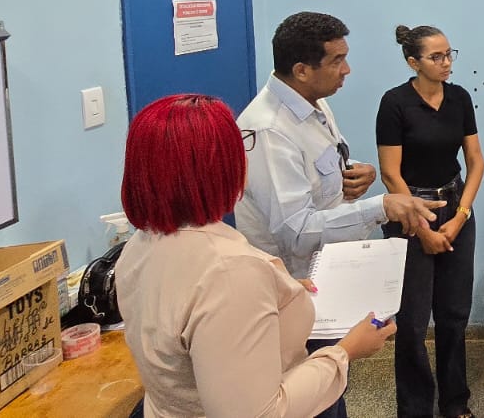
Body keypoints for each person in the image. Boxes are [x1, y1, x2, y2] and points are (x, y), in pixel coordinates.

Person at [116, 94, 398, 418]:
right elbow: (262, 412)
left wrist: (274, 288)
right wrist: (345, 352)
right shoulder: (230, 273)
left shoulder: (138, 247)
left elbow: (191, 312)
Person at [235, 11, 443, 418]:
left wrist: (358, 172)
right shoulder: (269, 131)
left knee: (331, 390)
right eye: (337, 61)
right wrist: (380, 205)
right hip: (290, 296)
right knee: (308, 401)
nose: (347, 70)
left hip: (325, 281)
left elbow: (325, 172)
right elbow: (295, 232)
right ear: (301, 70)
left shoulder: (314, 106)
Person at [376, 25, 483, 418]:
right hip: (409, 211)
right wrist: (423, 230)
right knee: (412, 323)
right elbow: (391, 174)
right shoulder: (395, 103)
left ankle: (455, 402)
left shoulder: (459, 98)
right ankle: (415, 409)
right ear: (413, 62)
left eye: (449, 54)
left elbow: (475, 161)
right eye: (436, 57)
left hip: (455, 206)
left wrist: (460, 216)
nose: (446, 62)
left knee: (454, 315)